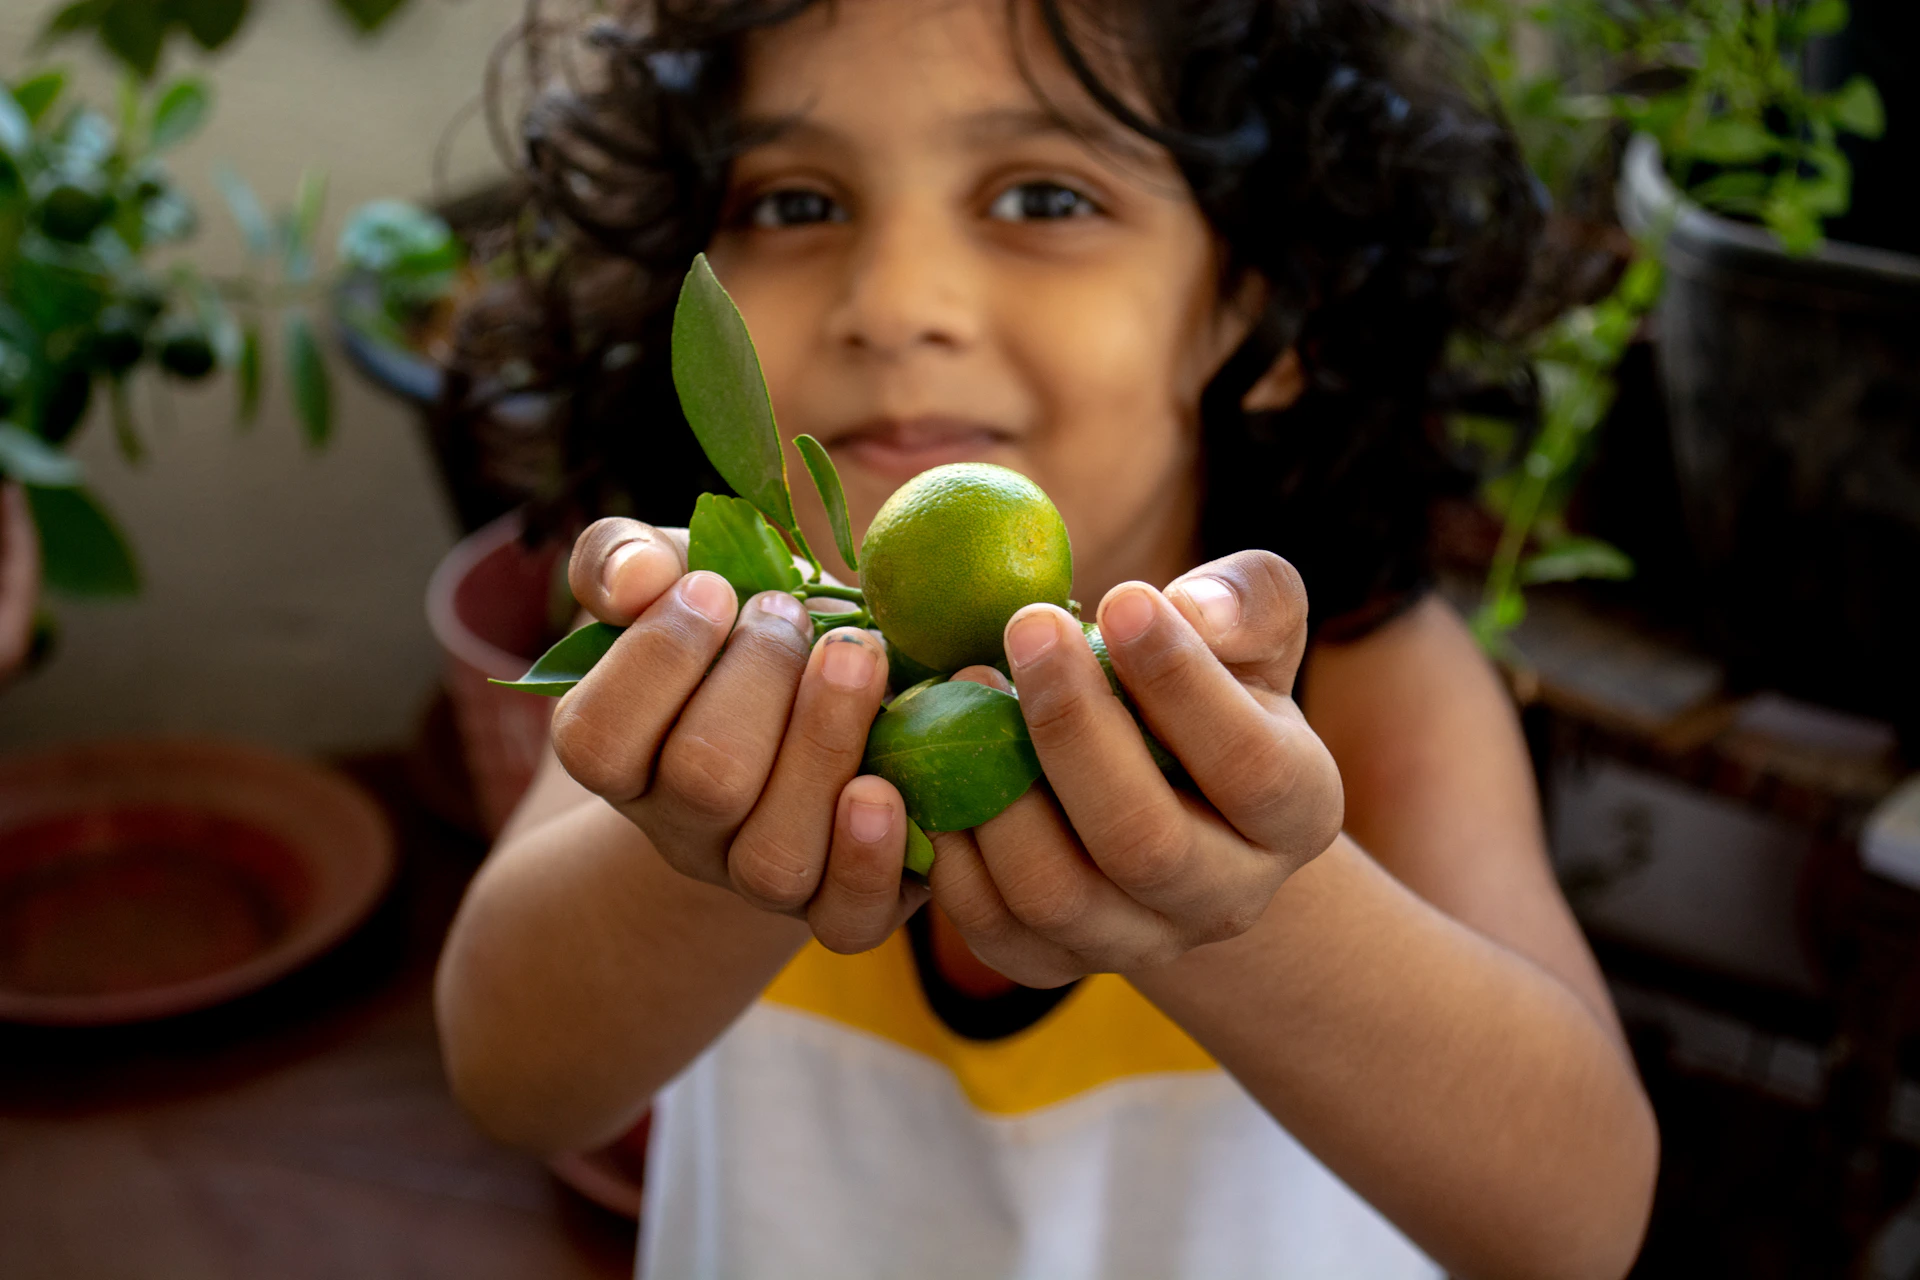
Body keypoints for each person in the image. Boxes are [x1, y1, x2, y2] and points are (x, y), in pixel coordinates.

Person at [434, 0, 1660, 1276]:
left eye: (1043, 198)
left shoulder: (1371, 686)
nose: (896, 301)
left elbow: (1576, 1222)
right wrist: (705, 828)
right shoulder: (704, 635)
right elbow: (512, 1080)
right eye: (796, 203)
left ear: (1253, 306)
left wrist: (1241, 896)